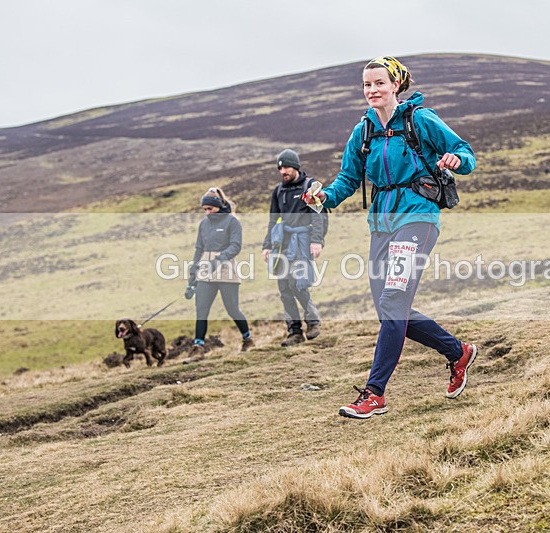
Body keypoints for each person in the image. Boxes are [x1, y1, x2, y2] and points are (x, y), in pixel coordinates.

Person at [303, 56, 478, 419]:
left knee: (394, 299)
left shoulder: (421, 119)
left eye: (379, 83)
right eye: (367, 85)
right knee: (390, 308)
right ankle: (457, 352)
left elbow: (466, 152)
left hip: (418, 218)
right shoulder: (362, 132)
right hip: (381, 223)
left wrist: (457, 160)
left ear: (396, 85)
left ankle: (374, 393)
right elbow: (348, 180)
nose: (372, 91)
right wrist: (323, 198)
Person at [262, 149, 324, 347]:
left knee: (298, 284)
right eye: (280, 168)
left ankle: (313, 322)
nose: (283, 171)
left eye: (286, 167)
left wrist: (317, 241)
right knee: (284, 288)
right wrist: (267, 246)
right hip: (282, 244)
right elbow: (273, 220)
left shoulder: (309, 187)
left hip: (302, 242)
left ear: (296, 167)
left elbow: (318, 215)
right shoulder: (278, 191)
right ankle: (294, 331)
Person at [184, 187, 253, 362]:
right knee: (201, 309)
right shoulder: (203, 224)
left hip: (226, 269)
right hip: (205, 270)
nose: (207, 212)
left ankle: (247, 339)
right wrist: (193, 272)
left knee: (232, 308)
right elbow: (199, 248)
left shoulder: (232, 222)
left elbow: (235, 246)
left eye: (210, 209)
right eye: (205, 209)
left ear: (218, 206)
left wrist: (219, 259)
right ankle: (198, 347)